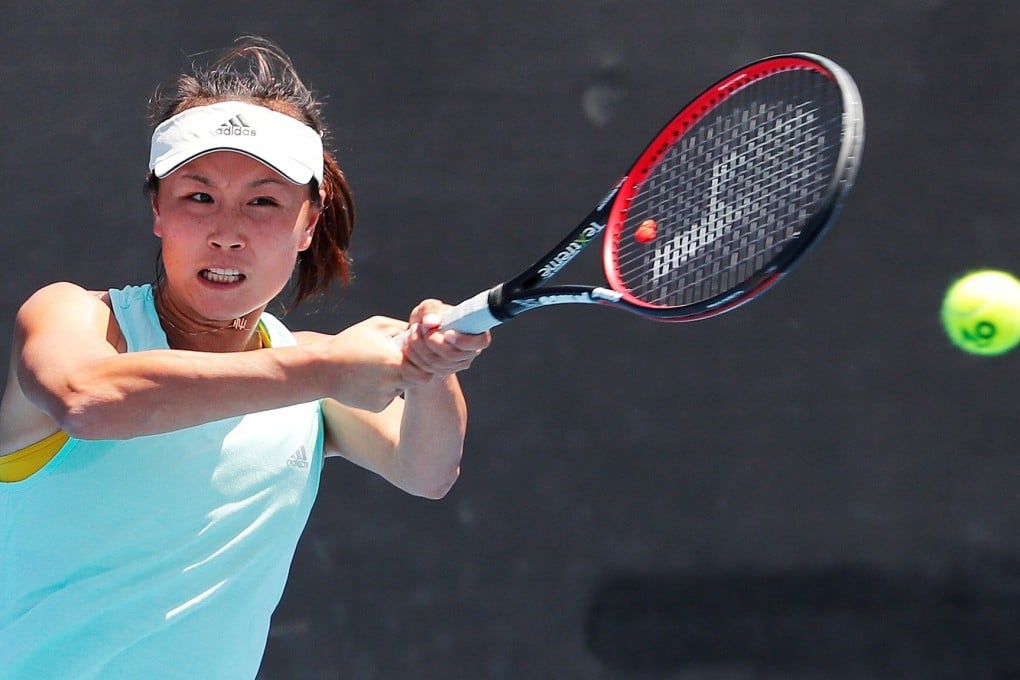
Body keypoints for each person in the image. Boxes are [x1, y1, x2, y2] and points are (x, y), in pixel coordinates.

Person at [0, 37, 490, 679]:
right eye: (198, 197)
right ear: (157, 210)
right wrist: (329, 370)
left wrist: (430, 371)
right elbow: (87, 399)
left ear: (308, 224)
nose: (226, 231)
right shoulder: (75, 317)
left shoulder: (310, 373)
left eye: (263, 201)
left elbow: (427, 471)